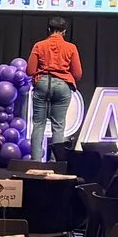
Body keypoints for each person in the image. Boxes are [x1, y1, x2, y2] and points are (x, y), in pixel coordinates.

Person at [26, 15, 81, 162]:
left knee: (38, 124)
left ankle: (36, 163)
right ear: (64, 32)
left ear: (49, 30)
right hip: (63, 85)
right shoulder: (71, 47)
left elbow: (30, 71)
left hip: (43, 83)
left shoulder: (39, 45)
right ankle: (56, 163)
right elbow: (78, 73)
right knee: (59, 126)